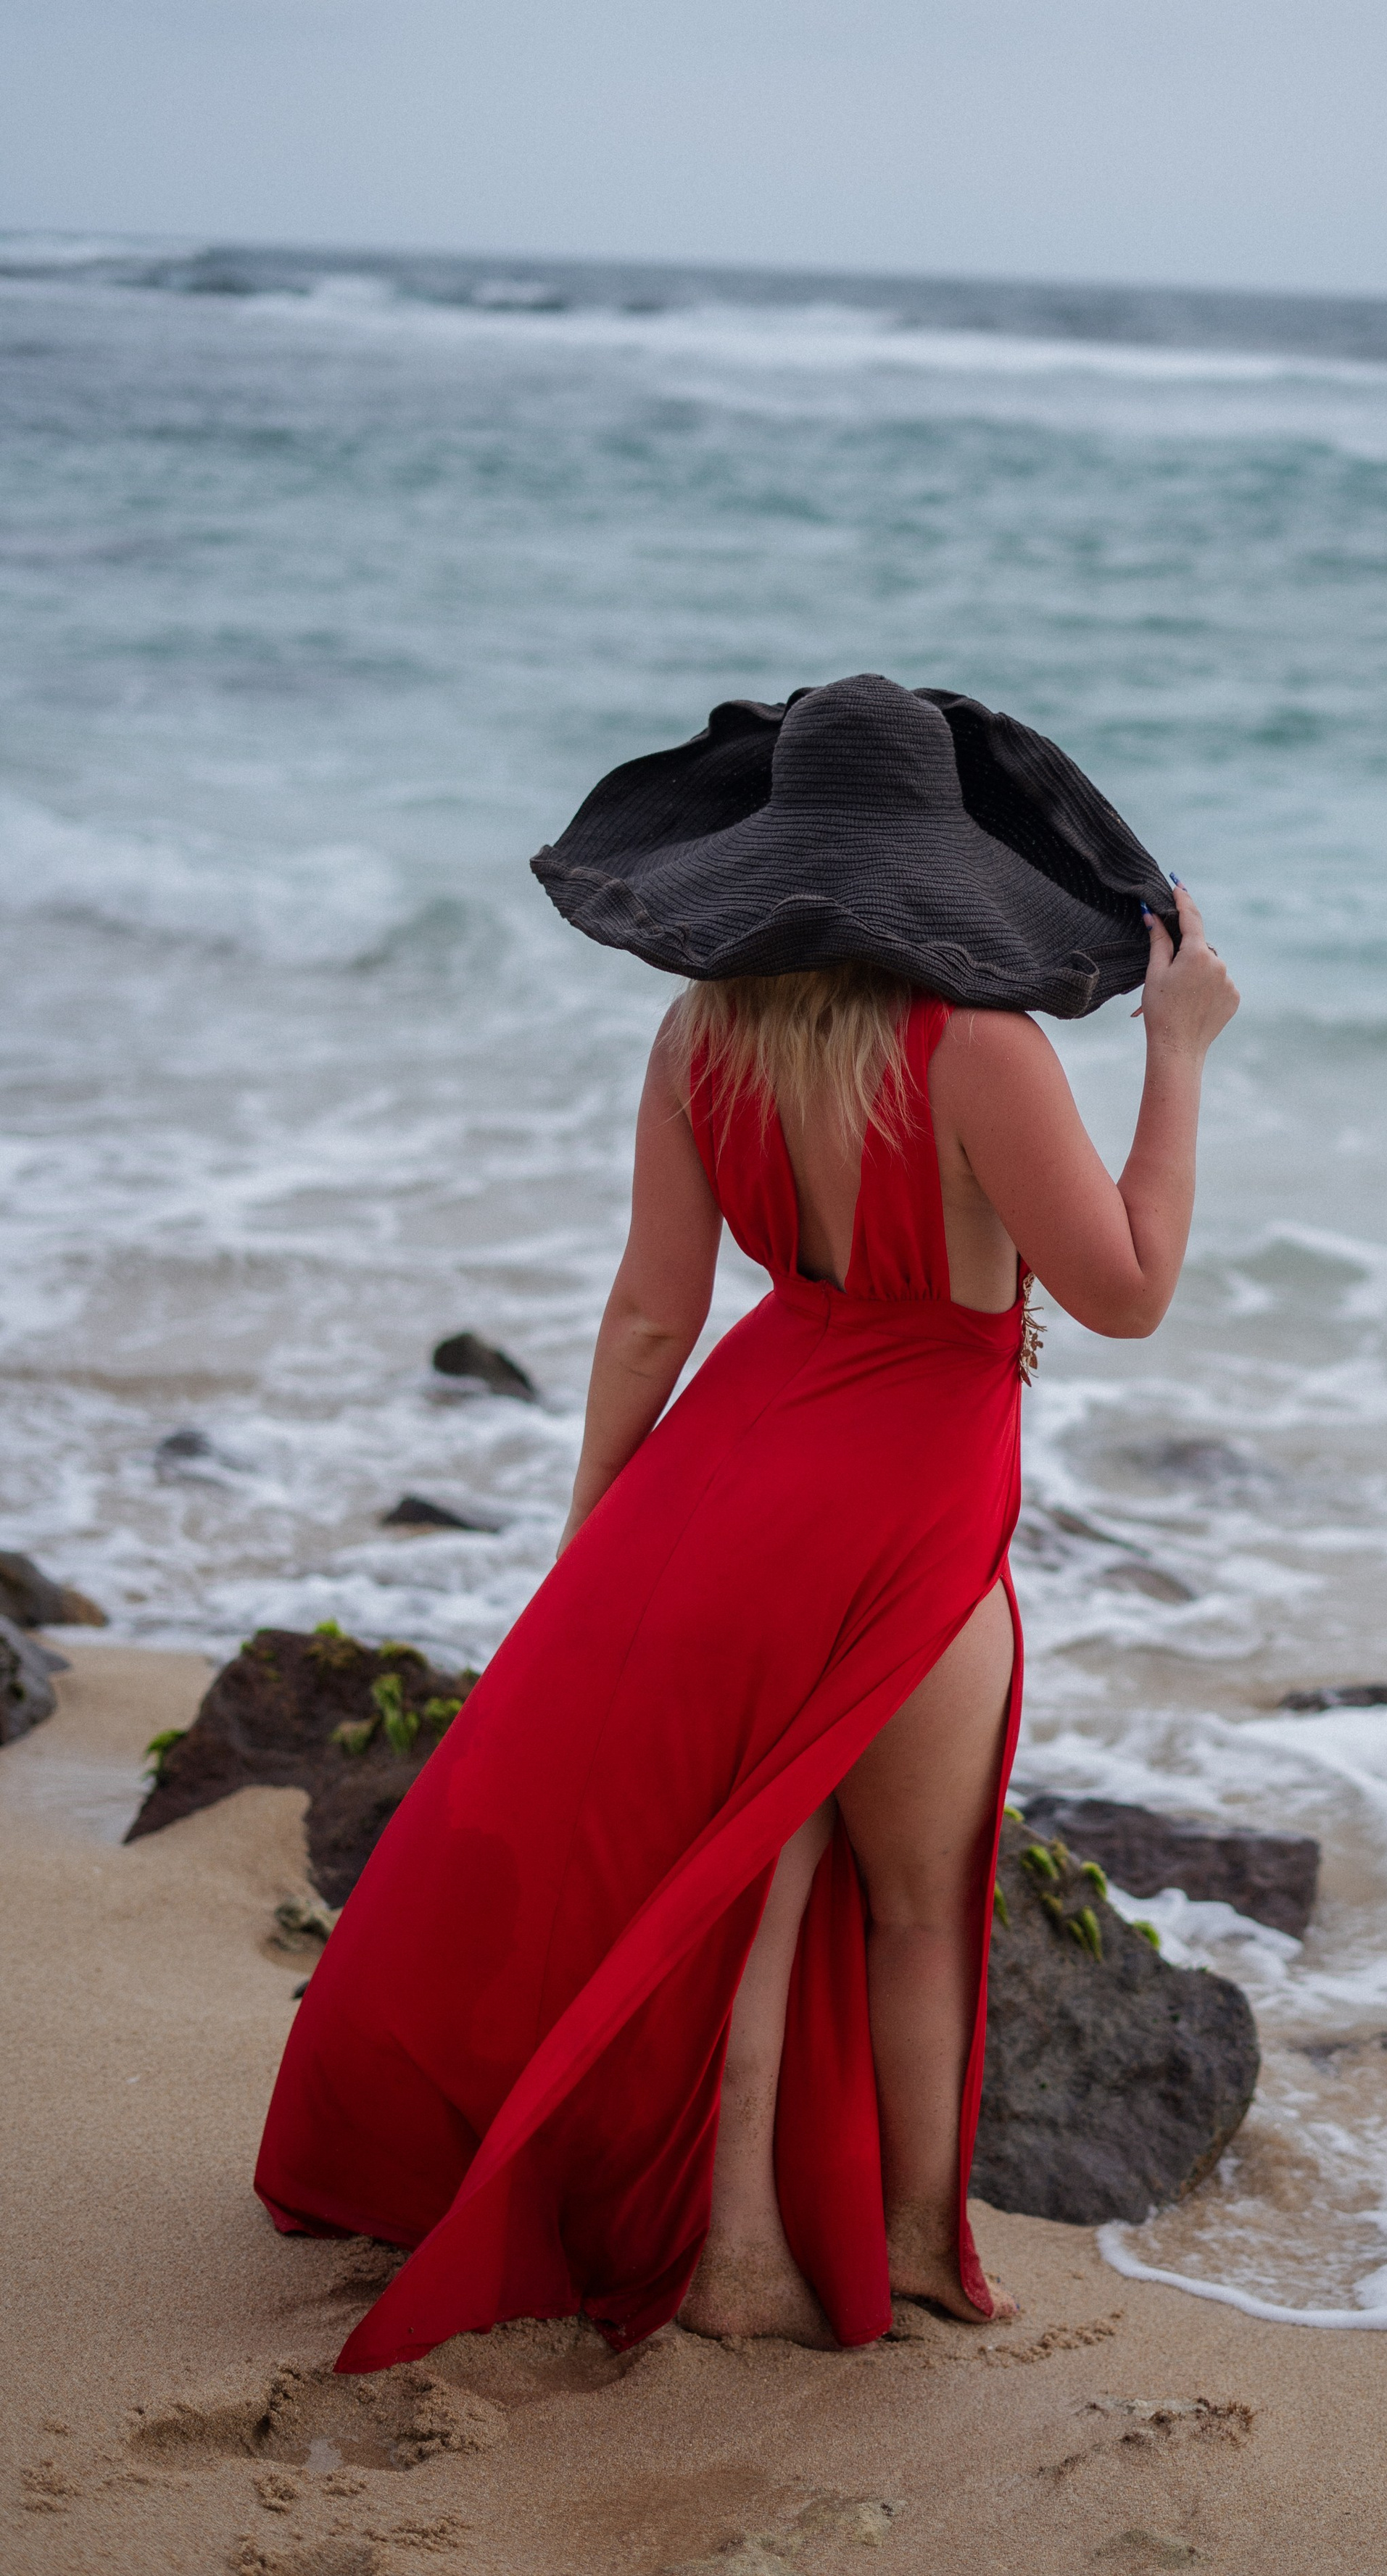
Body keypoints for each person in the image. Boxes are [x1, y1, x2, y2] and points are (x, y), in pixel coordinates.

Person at [255, 675, 1238, 2367]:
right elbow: (1128, 1291)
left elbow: (649, 1313)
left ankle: (725, 2245)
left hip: (720, 1477)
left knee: (747, 1886)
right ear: (938, 862)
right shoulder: (978, 1043)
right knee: (918, 1903)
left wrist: (596, 1546)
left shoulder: (698, 1035)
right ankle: (920, 2255)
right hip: (901, 1514)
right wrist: (1176, 1055)